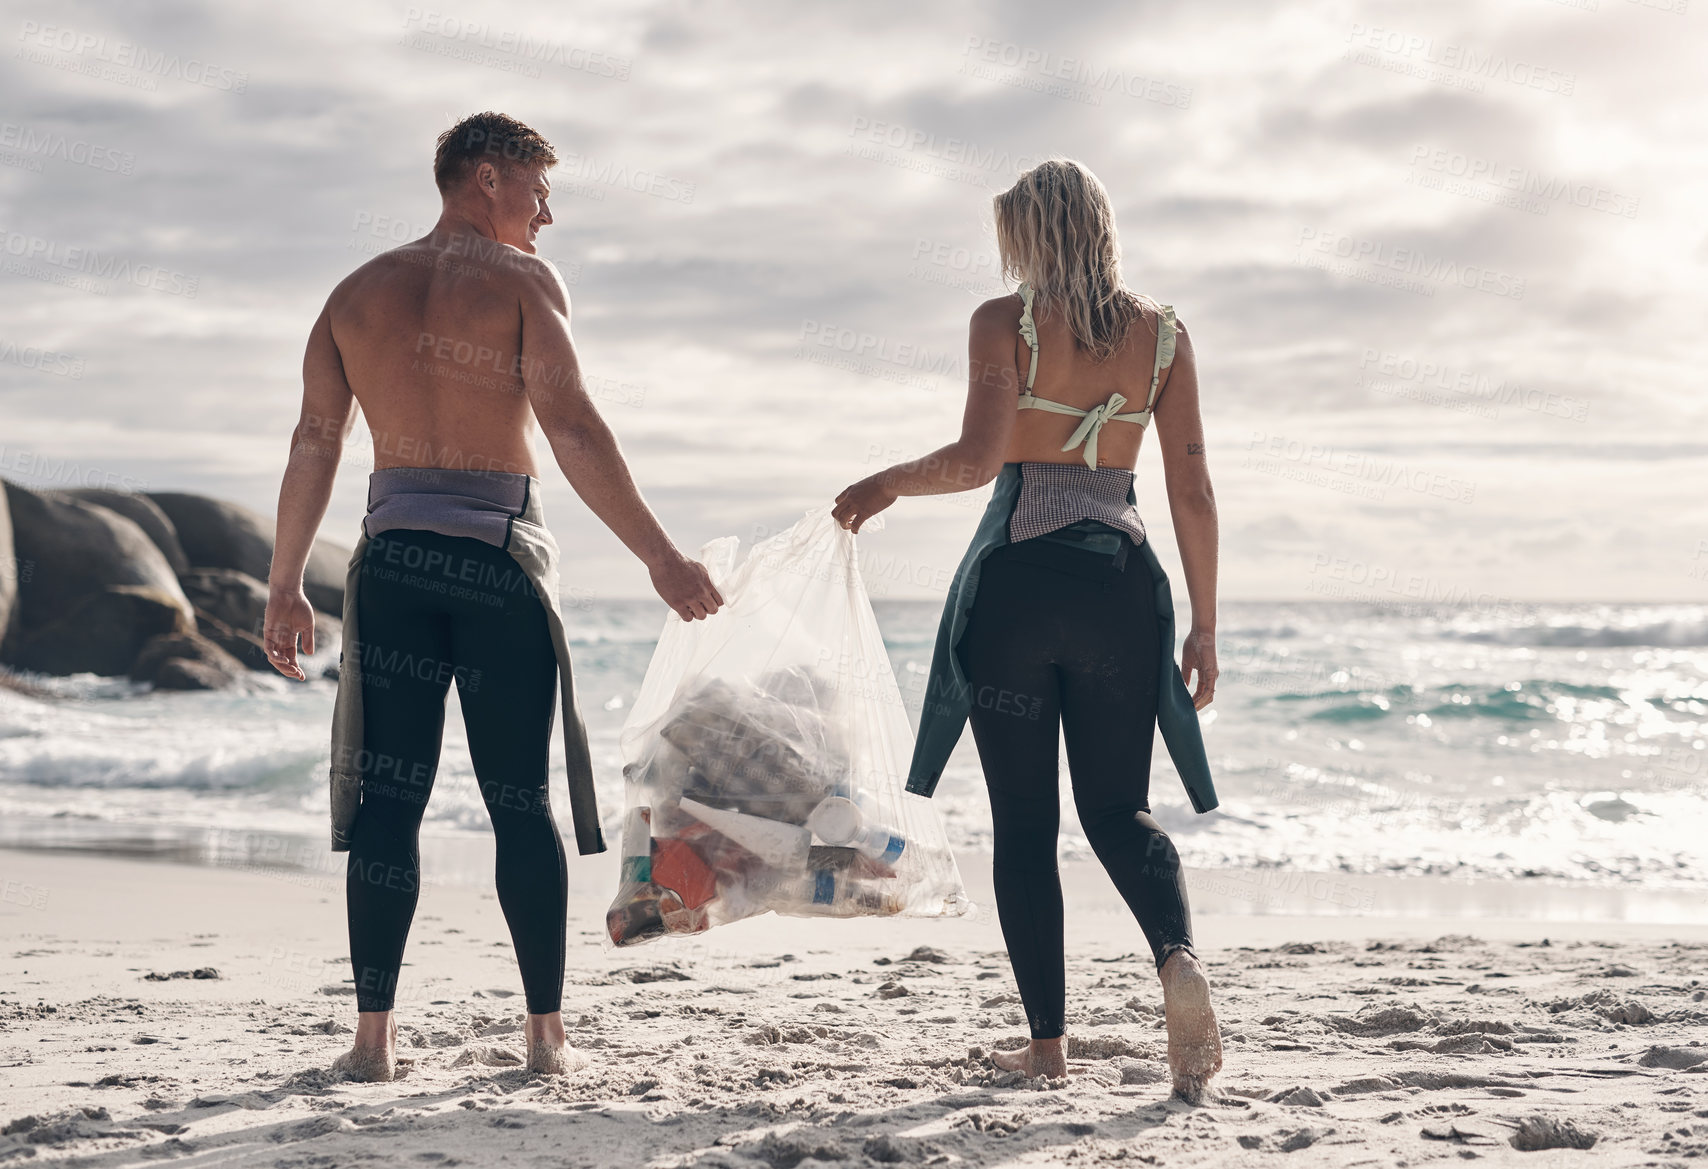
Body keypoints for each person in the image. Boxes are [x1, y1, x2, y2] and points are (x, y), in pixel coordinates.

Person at [260, 111, 723, 1081]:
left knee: (389, 805)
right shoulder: (520, 284)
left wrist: (285, 584)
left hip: (387, 569)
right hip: (496, 564)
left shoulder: (352, 295)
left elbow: (314, 440)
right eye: (538, 189)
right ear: (484, 179)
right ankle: (545, 1035)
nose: (546, 215)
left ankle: (372, 1040)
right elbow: (574, 428)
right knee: (520, 801)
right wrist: (659, 555)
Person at [832, 158, 1224, 1103]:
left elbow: (976, 462)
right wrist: (1205, 624)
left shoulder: (1001, 323)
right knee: (1117, 811)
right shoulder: (1164, 337)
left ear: (1031, 236)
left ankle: (1047, 1047)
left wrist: (884, 483)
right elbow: (1193, 487)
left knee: (1026, 824)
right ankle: (1175, 957)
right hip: (1121, 584)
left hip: (1016, 587)